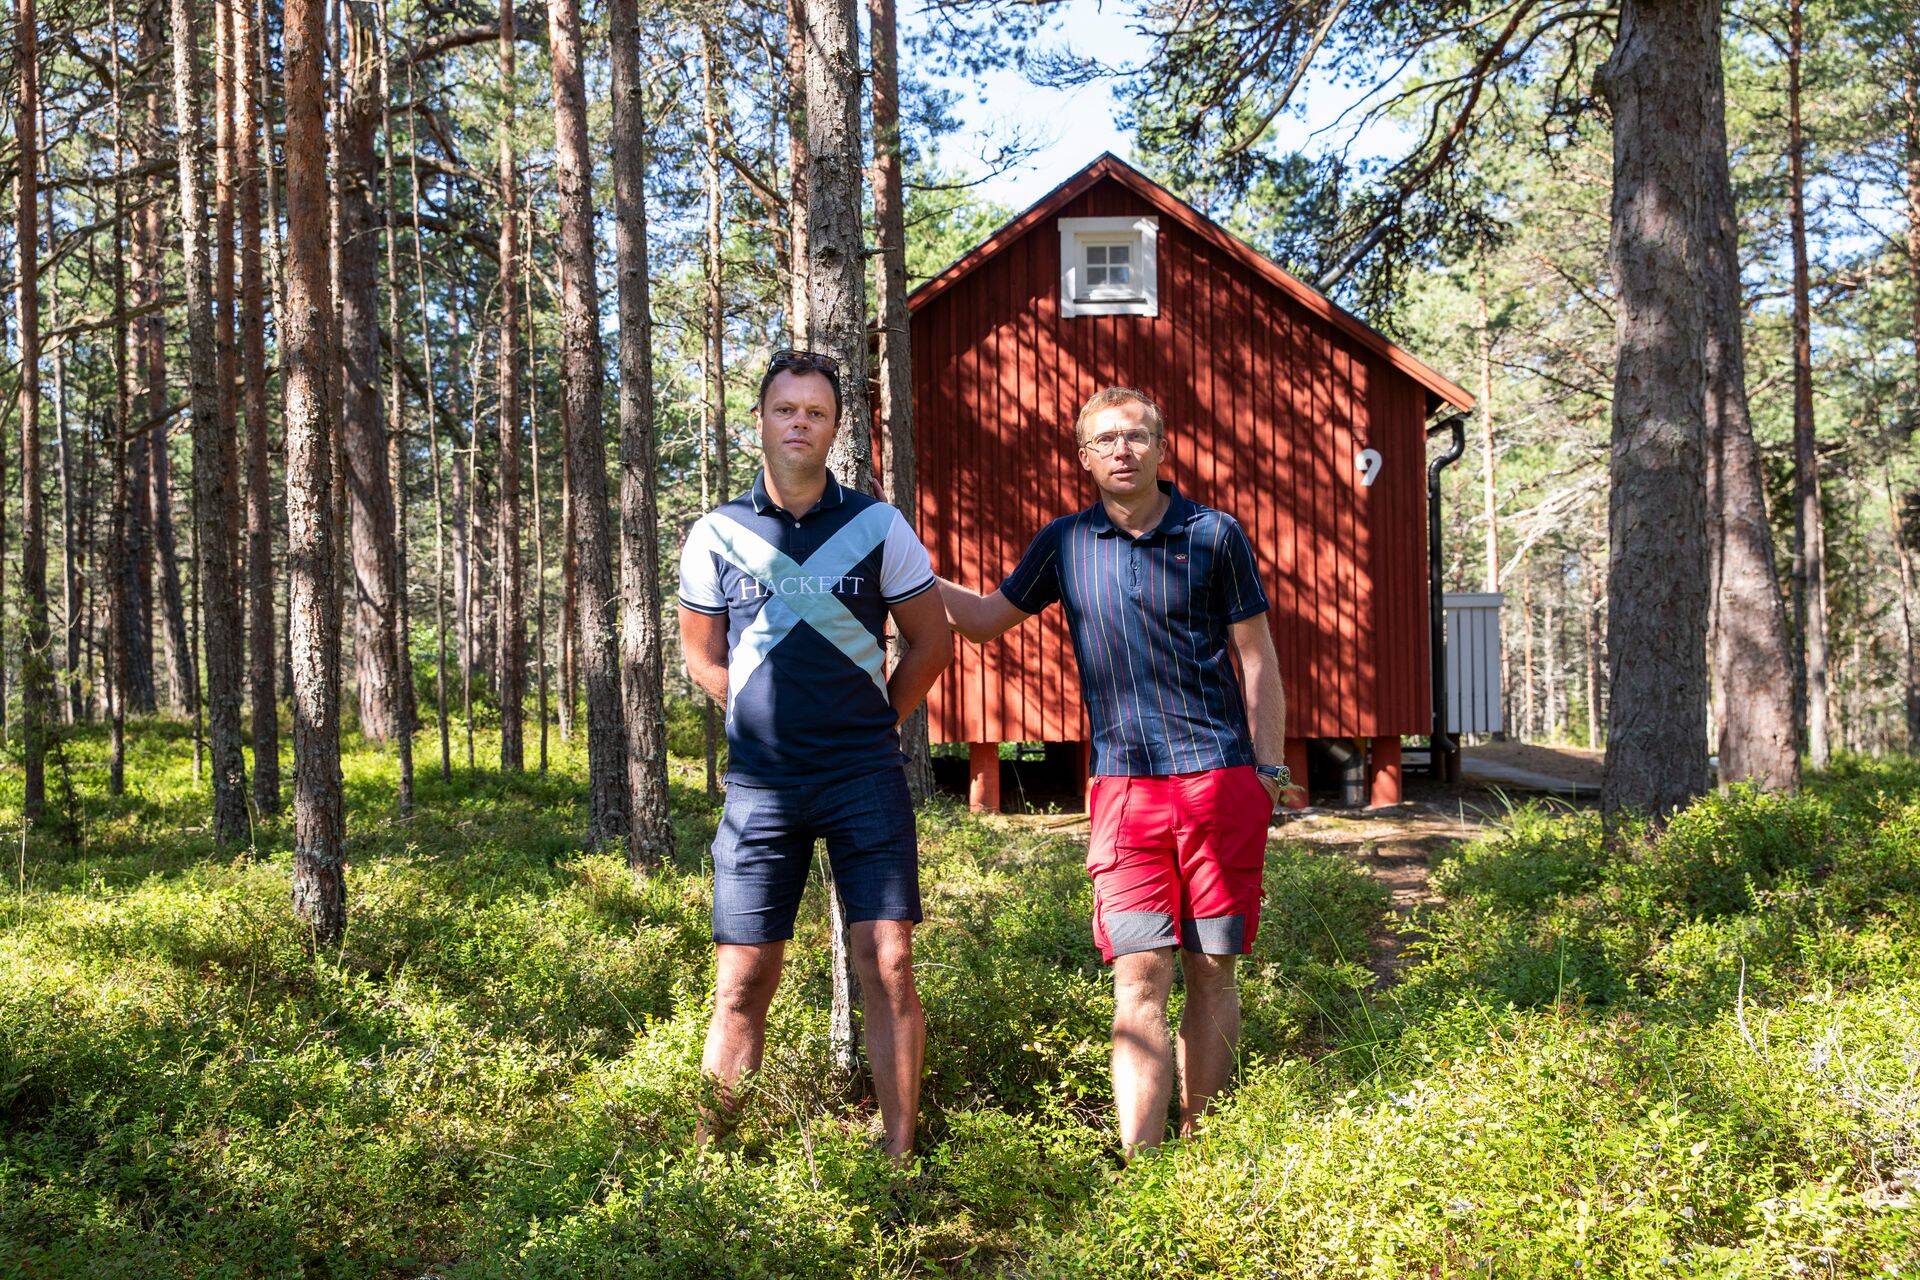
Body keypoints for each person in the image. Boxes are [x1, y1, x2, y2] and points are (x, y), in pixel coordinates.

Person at [938, 386, 1289, 1156]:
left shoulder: (1214, 534)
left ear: (1163, 447)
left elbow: (1258, 655)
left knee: (1213, 968)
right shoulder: (1065, 542)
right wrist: (894, 560)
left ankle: (1208, 1150)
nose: (1121, 450)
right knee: (1139, 976)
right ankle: (1145, 1168)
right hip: (1124, 791)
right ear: (1084, 457)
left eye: (1135, 436)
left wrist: (1267, 770)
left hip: (1219, 778)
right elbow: (984, 621)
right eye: (1105, 440)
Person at [678, 348, 952, 1157]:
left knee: (889, 963)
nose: (799, 422)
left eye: (815, 412)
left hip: (864, 776)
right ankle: (711, 1163)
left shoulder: (877, 526)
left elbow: (932, 643)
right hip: (762, 785)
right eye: (785, 409)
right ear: (760, 420)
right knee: (742, 982)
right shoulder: (717, 532)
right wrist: (751, 709)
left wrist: (878, 720)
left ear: (835, 429)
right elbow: (701, 654)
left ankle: (899, 1155)